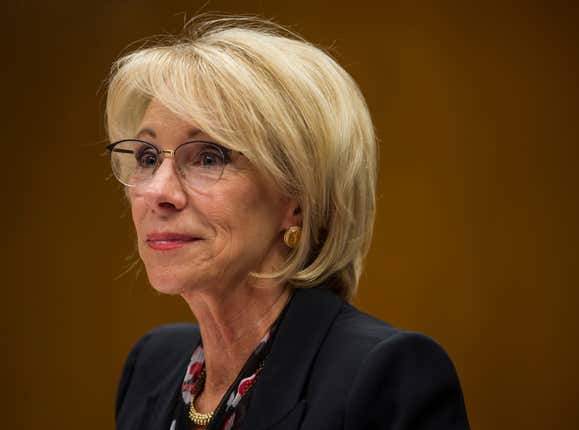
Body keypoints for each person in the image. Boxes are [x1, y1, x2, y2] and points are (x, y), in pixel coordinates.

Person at [105, 17, 470, 430]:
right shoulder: (152, 366)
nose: (158, 191)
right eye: (148, 158)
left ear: (297, 197)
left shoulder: (384, 377)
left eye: (209, 157)